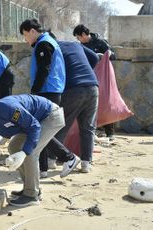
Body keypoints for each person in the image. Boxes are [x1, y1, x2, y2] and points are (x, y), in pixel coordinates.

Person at [19, 19, 80, 178]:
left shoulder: (44, 44)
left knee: (41, 130)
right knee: (40, 128)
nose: (26, 40)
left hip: (47, 91)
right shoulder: (48, 41)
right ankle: (43, 168)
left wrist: (34, 93)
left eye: (25, 35)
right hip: (51, 90)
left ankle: (69, 157)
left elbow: (43, 71)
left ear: (32, 31)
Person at [45, 30, 100, 173]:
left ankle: (51, 160)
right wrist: (84, 71)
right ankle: (86, 163)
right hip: (93, 86)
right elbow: (94, 57)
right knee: (88, 127)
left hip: (74, 89)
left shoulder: (51, 48)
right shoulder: (75, 44)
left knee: (62, 124)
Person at [73, 24, 116, 141]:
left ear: (83, 34)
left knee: (105, 102)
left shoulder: (100, 42)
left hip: (102, 77)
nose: (78, 40)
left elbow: (113, 55)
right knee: (90, 105)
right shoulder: (81, 46)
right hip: (88, 77)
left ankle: (110, 132)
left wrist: (106, 55)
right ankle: (91, 132)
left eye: (78, 37)